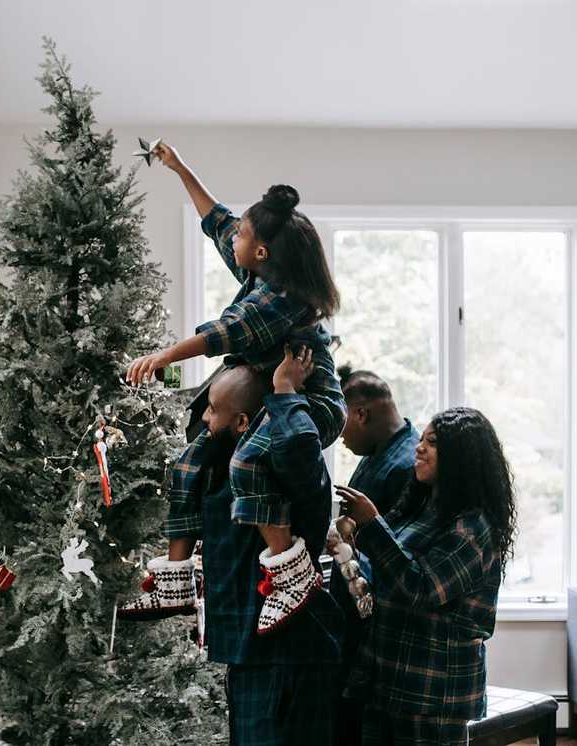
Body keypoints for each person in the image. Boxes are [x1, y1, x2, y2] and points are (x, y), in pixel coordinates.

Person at [124, 142, 345, 631]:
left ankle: (291, 572)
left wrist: (163, 357)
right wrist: (181, 168)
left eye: (245, 235)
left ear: (261, 251)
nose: (236, 239)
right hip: (267, 396)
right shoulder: (259, 266)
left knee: (247, 461)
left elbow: (220, 335)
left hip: (309, 402)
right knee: (186, 466)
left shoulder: (280, 299)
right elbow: (217, 221)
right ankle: (175, 582)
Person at [131, 359, 344, 744]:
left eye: (215, 411)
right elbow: (200, 420)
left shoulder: (283, 467)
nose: (206, 419)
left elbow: (299, 443)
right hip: (247, 652)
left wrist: (284, 392)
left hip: (288, 655)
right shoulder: (219, 466)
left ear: (244, 422)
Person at [336, 407, 517, 746]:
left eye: (432, 443)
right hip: (388, 678)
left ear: (462, 458)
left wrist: (372, 523)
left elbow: (422, 588)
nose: (419, 448)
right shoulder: (422, 508)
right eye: (421, 440)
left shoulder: (474, 526)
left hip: (432, 692)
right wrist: (351, 541)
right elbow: (390, 569)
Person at [332, 365, 419, 746]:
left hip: (373, 624)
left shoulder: (405, 468)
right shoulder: (379, 451)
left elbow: (397, 555)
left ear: (361, 413)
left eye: (341, 423)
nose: (340, 437)